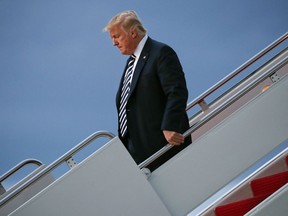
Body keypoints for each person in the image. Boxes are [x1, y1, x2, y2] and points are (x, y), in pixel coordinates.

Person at [104, 10, 191, 171]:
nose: (113, 43)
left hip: (163, 146)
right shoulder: (132, 62)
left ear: (133, 32)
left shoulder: (161, 53)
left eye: (116, 36)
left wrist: (170, 125)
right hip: (137, 151)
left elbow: (177, 91)